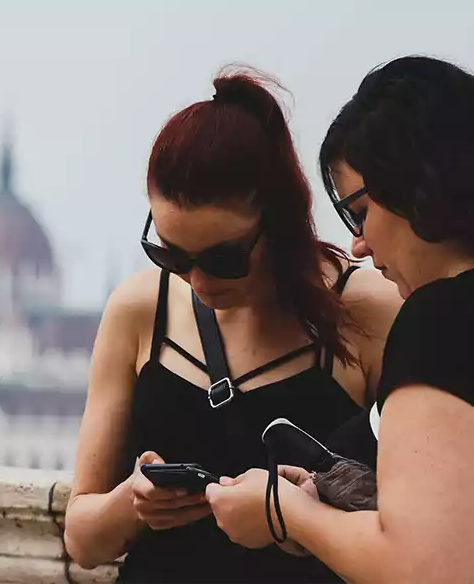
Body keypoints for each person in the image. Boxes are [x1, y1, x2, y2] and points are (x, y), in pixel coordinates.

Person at [63, 67, 402, 583]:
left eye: (222, 260)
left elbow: (419, 526)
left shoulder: (368, 310)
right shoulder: (139, 308)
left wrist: (298, 516)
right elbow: (82, 539)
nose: (196, 280)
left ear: (280, 221)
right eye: (169, 255)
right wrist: (134, 503)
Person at [207, 55, 474, 583]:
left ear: (419, 183)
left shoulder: (440, 318)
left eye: (360, 212)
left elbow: (425, 567)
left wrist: (286, 515)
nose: (358, 242)